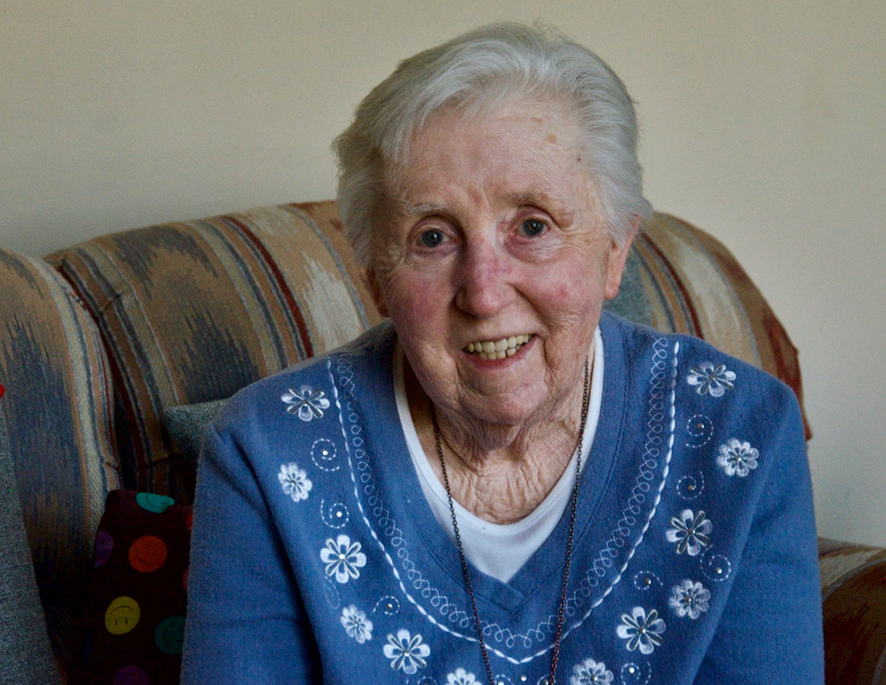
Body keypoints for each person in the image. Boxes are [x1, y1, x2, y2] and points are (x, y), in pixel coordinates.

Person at [182, 22, 824, 684]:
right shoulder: (269, 452)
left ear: (615, 251)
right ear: (377, 277)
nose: (484, 293)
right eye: (432, 236)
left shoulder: (738, 435)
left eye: (533, 226)